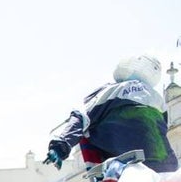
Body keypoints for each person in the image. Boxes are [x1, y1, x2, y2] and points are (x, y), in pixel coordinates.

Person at [47, 54, 178, 174]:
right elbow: (162, 130)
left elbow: (81, 118)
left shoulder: (111, 90)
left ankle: (104, 178)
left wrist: (60, 146)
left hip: (124, 163)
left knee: (87, 129)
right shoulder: (159, 100)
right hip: (166, 168)